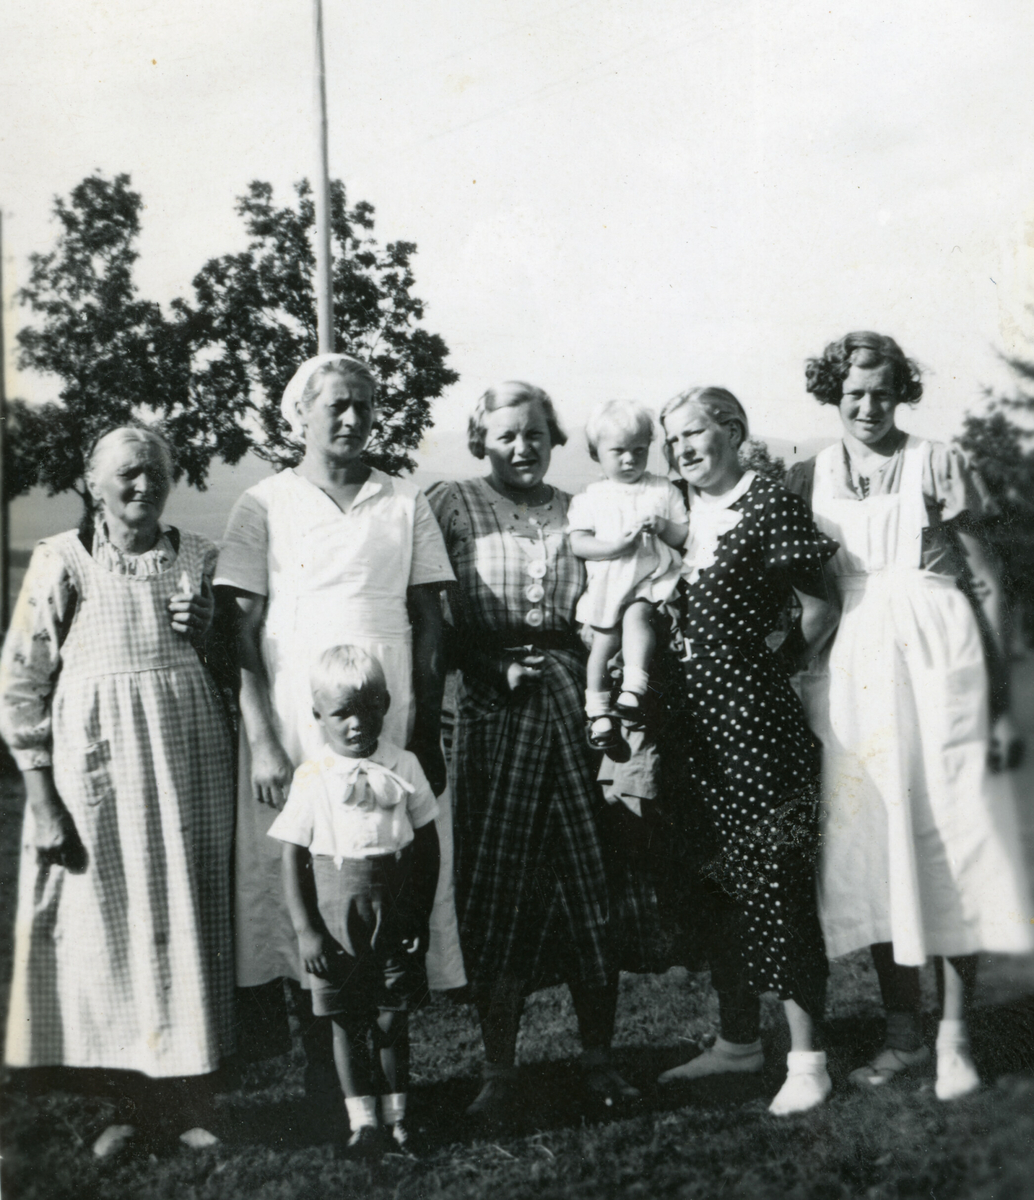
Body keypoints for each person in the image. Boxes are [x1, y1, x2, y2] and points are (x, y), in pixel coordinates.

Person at [788, 331, 1034, 1100]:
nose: (869, 406)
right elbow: (812, 595)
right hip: (856, 665)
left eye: (883, 391)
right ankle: (901, 1035)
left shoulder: (937, 461)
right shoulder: (810, 473)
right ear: (834, 393)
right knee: (875, 843)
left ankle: (955, 1038)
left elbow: (989, 585)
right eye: (854, 393)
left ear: (902, 391)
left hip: (940, 653)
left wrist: (1000, 705)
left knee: (952, 834)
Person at [214, 353, 465, 1102]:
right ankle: (328, 1073)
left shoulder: (404, 502)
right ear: (302, 416)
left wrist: (421, 731)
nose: (352, 419)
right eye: (337, 407)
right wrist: (261, 738)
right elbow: (239, 633)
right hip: (298, 713)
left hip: (386, 711)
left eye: (363, 405)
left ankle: (389, 1075)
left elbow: (430, 621)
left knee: (386, 864)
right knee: (302, 872)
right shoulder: (262, 503)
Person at [0, 425, 234, 1158]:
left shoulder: (199, 557)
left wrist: (209, 633)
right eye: (128, 474)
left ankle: (189, 1103)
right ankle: (127, 1109)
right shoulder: (62, 561)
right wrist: (41, 800)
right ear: (93, 480)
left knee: (189, 925)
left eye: (156, 475)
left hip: (190, 768)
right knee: (112, 932)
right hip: (99, 779)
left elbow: (237, 669)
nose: (143, 488)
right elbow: (20, 684)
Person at [427, 381, 645, 1125]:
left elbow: (614, 597)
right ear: (480, 439)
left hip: (574, 706)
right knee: (498, 890)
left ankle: (599, 1059)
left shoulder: (580, 508)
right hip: (493, 714)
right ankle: (499, 1069)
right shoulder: (450, 503)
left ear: (554, 440)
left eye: (535, 435)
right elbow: (430, 613)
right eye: (506, 434)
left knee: (590, 881)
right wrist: (487, 667)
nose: (522, 447)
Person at [654, 387, 841, 1116]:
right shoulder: (680, 513)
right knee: (718, 883)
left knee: (778, 875)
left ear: (734, 430)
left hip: (758, 726)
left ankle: (808, 1059)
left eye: (694, 435)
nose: (683, 450)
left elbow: (820, 605)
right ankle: (738, 1040)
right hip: (691, 727)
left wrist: (771, 667)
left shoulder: (768, 504)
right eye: (673, 441)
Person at [269, 646, 440, 1158]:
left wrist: (418, 913)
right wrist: (307, 931)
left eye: (368, 708)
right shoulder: (313, 775)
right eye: (342, 713)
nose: (357, 724)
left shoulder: (403, 763)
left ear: (386, 704)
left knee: (392, 1015)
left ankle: (398, 1118)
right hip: (335, 912)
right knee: (346, 1018)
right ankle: (362, 1120)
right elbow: (291, 858)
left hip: (394, 905)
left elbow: (427, 846)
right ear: (318, 716)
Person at [568, 399, 688, 750]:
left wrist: (663, 526)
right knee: (603, 644)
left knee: (638, 617)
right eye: (618, 451)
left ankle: (634, 688)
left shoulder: (661, 489)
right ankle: (598, 712)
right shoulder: (591, 497)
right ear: (596, 454)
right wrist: (613, 548)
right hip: (609, 583)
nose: (629, 460)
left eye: (639, 451)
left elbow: (683, 536)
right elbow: (579, 542)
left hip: (649, 580)